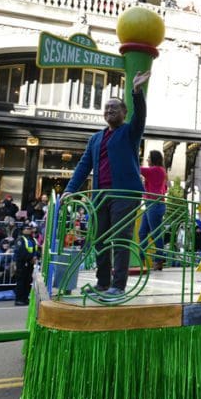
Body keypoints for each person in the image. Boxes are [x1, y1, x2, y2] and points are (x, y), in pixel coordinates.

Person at [63, 71, 151, 295]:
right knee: (99, 239)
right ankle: (102, 283)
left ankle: (117, 285)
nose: (109, 111)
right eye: (107, 108)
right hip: (100, 196)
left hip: (124, 194)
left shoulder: (130, 132)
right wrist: (69, 190)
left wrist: (137, 92)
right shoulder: (95, 138)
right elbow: (84, 166)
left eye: (115, 108)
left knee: (120, 239)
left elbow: (140, 116)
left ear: (124, 113)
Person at [139, 150, 169, 270]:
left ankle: (158, 260)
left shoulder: (156, 170)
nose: (147, 160)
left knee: (155, 233)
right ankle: (142, 259)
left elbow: (138, 169)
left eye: (148, 158)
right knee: (142, 232)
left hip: (154, 204)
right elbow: (165, 188)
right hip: (151, 204)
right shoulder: (161, 171)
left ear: (153, 159)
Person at [13, 223, 37, 305]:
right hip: (22, 264)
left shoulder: (32, 239)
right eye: (27, 228)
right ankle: (19, 299)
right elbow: (21, 252)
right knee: (21, 282)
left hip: (30, 264)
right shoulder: (20, 239)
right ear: (23, 230)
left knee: (27, 282)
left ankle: (25, 298)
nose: (29, 230)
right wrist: (31, 257)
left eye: (29, 228)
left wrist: (36, 257)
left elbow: (36, 249)